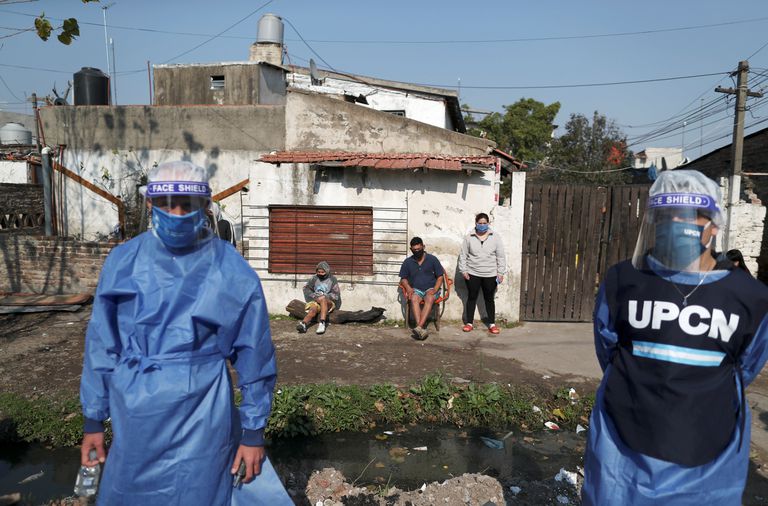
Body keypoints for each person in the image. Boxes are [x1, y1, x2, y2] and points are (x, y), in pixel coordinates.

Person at [79, 161, 291, 505]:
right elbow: (103, 345)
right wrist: (93, 421)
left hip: (203, 408)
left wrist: (253, 435)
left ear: (205, 206)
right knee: (132, 492)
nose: (176, 213)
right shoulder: (123, 262)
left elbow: (255, 355)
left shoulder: (230, 268)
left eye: (187, 204)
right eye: (166, 204)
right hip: (136, 408)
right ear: (150, 204)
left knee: (200, 491)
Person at [582, 170, 768, 505]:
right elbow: (608, 346)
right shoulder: (624, 280)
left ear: (713, 224)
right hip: (622, 448)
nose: (676, 224)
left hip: (708, 454)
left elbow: (746, 365)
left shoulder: (750, 297)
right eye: (667, 216)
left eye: (690, 216)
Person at [458, 212, 506, 334]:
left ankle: (492, 323)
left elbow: (501, 256)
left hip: (490, 274)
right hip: (472, 273)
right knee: (471, 297)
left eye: (485, 223)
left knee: (489, 299)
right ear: (476, 223)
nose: (482, 225)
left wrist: (500, 273)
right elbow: (463, 255)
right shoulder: (469, 237)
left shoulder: (495, 237)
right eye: (480, 223)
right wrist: (463, 270)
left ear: (488, 223)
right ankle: (469, 323)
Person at [399, 237, 445, 340]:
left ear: (423, 247)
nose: (417, 251)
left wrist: (436, 288)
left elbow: (440, 276)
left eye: (419, 249)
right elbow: (403, 279)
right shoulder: (408, 262)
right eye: (414, 250)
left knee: (429, 297)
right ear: (411, 249)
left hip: (431, 288)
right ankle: (421, 329)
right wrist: (408, 288)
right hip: (416, 289)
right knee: (414, 298)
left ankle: (419, 327)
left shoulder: (432, 259)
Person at [297, 261, 341, 335]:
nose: (320, 274)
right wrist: (314, 296)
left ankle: (322, 323)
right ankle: (303, 324)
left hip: (328, 302)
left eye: (322, 272)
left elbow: (336, 294)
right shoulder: (314, 278)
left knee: (323, 299)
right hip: (316, 300)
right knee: (313, 309)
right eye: (318, 272)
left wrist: (326, 296)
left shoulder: (332, 279)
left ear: (327, 271)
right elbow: (306, 288)